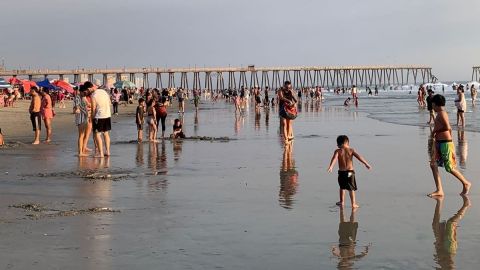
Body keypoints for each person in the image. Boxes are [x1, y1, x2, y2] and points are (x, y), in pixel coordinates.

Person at [428, 94, 471, 197]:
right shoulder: (439, 113)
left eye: (432, 104)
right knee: (433, 164)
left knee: (449, 168)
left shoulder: (442, 113)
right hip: (440, 143)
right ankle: (440, 190)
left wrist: (435, 131)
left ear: (435, 104)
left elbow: (448, 127)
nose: (431, 106)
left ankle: (466, 183)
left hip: (445, 143)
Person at [327, 135, 371, 208]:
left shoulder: (337, 151)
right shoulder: (351, 150)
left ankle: (342, 202)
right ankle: (353, 204)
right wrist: (366, 164)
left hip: (342, 173)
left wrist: (331, 166)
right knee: (351, 188)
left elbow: (334, 158)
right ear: (347, 143)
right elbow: (359, 157)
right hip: (350, 172)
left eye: (338, 143)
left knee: (342, 187)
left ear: (343, 143)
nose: (337, 145)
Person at [431, 195, 470, 269]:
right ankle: (466, 205)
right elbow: (450, 264)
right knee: (451, 223)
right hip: (448, 248)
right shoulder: (449, 264)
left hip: (445, 247)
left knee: (435, 224)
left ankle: (439, 202)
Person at [89, 82, 112, 158]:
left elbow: (93, 108)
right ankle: (108, 152)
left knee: (97, 134)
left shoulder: (93, 95)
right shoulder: (104, 92)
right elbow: (109, 103)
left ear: (90, 88)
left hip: (99, 116)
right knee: (106, 133)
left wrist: (92, 118)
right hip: (107, 114)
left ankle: (101, 153)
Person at [74, 87, 88, 156]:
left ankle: (81, 151)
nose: (85, 94)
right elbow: (77, 106)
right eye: (84, 92)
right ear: (81, 91)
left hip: (83, 117)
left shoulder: (82, 97)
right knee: (81, 135)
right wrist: (85, 112)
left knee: (82, 135)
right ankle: (80, 152)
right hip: (80, 117)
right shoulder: (77, 97)